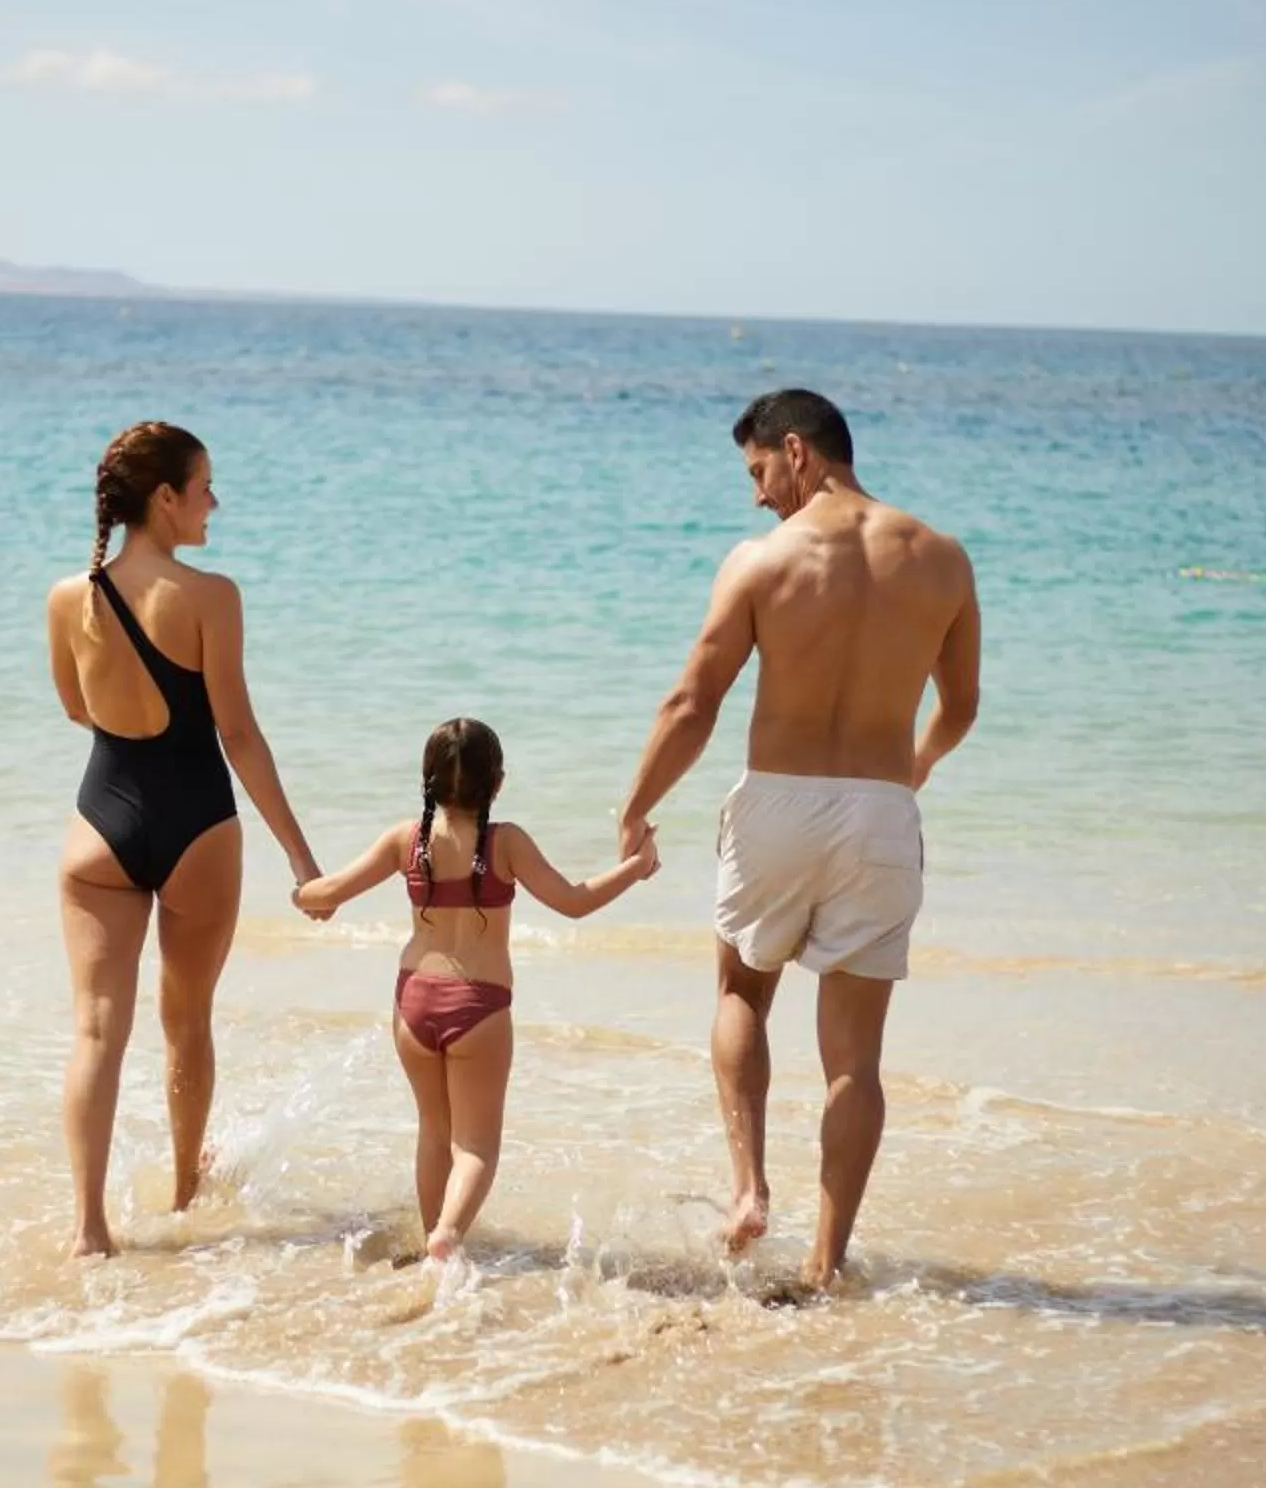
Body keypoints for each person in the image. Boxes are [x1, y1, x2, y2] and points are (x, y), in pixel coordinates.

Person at [615, 389, 982, 1288]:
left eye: (758, 473)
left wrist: (634, 810)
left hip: (778, 803)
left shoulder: (761, 560)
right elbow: (963, 705)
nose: (757, 496)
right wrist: (918, 763)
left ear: (797, 451)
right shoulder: (942, 558)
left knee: (742, 989)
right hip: (880, 810)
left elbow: (692, 703)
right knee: (855, 1059)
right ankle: (826, 1263)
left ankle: (749, 1190)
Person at [45, 421, 322, 1259]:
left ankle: (90, 1229)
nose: (214, 502)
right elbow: (238, 735)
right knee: (186, 1021)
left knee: (97, 1031)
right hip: (196, 820)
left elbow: (75, 710)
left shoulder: (70, 596)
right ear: (164, 499)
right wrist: (300, 858)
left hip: (100, 823)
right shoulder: (211, 596)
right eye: (204, 487)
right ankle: (182, 1198)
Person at [291, 718, 659, 1262]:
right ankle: (448, 1236)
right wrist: (636, 867)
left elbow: (327, 892)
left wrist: (303, 892)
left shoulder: (406, 841)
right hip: (479, 1007)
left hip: (412, 1001)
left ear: (428, 781)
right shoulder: (505, 842)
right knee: (477, 1147)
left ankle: (431, 1242)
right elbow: (574, 901)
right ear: (498, 783)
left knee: (434, 1133)